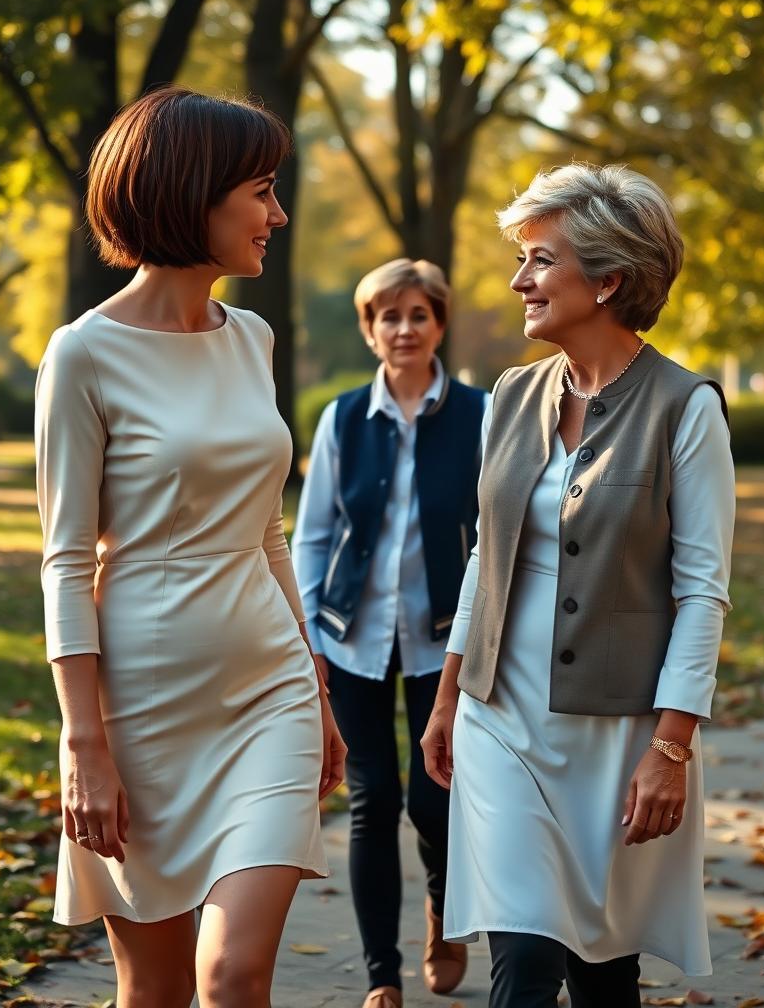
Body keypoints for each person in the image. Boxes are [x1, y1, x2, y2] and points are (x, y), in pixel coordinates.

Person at [34, 86, 345, 1008]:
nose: (277, 215)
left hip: (269, 695)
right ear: (189, 193)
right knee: (156, 987)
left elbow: (267, 531)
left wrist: (315, 679)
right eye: (260, 191)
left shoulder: (252, 337)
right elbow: (62, 559)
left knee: (233, 974)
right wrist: (84, 744)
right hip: (140, 714)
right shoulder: (82, 354)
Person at [420, 163, 736, 1008]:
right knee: (523, 962)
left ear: (607, 279)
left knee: (605, 972)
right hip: (502, 726)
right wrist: (450, 696)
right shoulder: (511, 398)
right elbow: (488, 558)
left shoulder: (686, 408)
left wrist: (670, 749)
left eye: (539, 260)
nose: (519, 280)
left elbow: (703, 591)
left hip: (620, 738)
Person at [292, 259, 486, 1008]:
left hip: (444, 644)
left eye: (418, 315)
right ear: (370, 330)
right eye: (388, 317)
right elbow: (312, 536)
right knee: (373, 801)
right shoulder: (341, 418)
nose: (404, 329)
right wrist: (311, 634)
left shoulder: (482, 413)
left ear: (439, 324)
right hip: (353, 642)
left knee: (433, 801)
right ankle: (382, 975)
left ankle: (444, 912)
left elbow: (498, 536)